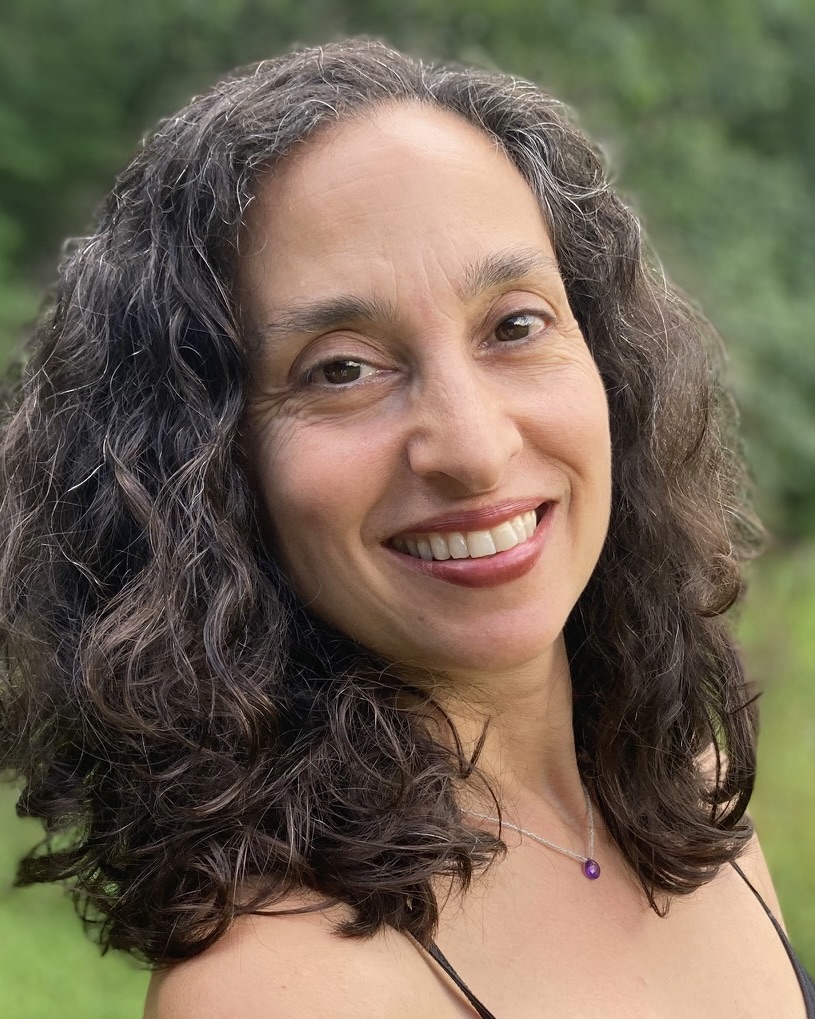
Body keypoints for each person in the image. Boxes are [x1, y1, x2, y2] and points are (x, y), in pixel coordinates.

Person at [0, 38, 812, 1018]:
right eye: (341, 368)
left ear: (607, 362)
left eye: (514, 324)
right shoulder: (285, 992)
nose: (472, 446)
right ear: (207, 472)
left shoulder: (692, 796)